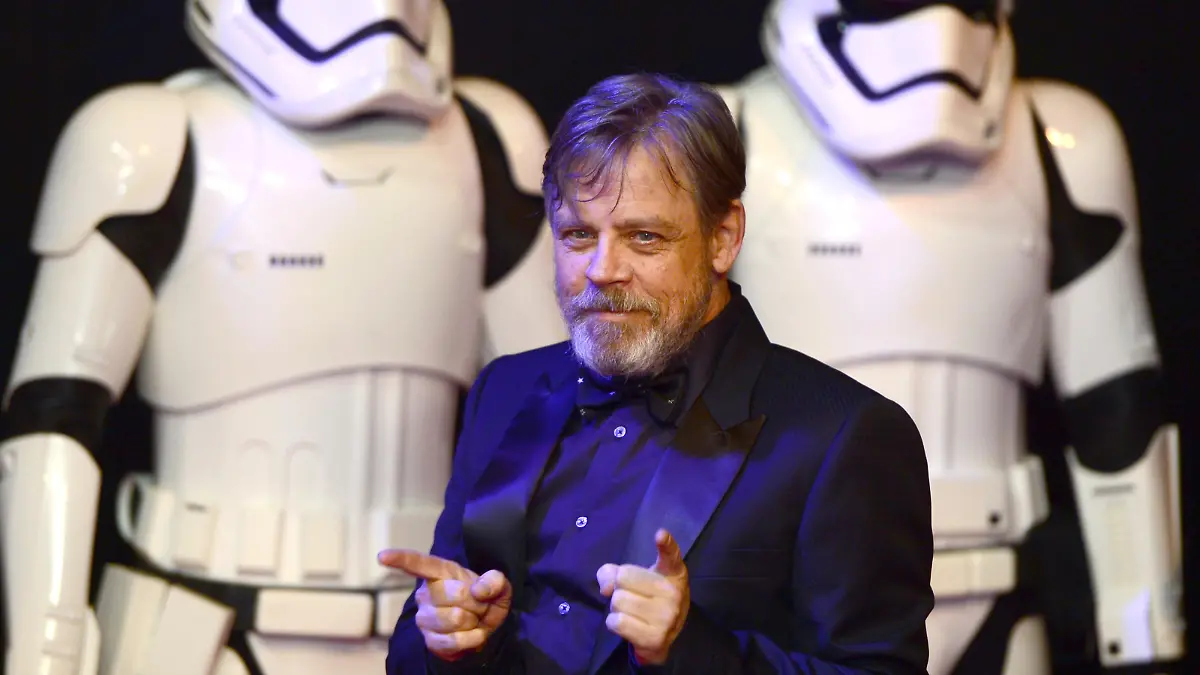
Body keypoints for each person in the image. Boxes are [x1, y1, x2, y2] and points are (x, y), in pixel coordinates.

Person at [381, 72, 935, 675]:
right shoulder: (504, 390)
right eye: (577, 235)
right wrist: (452, 642)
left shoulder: (845, 436)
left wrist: (688, 650)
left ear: (722, 239)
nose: (601, 269)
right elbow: (416, 652)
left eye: (643, 237)